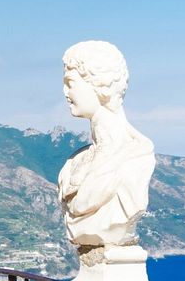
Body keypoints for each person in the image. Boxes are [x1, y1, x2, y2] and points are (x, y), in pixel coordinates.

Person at [57, 41, 155, 248]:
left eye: (70, 83)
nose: (65, 92)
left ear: (100, 85)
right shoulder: (76, 161)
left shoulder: (136, 156)